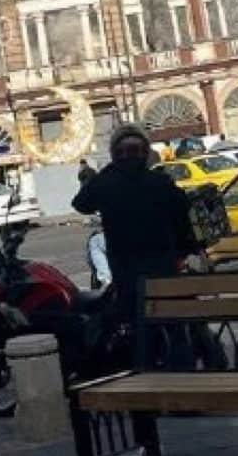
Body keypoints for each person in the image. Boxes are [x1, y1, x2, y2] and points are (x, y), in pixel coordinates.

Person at [73, 122, 196, 322]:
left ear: (114, 155)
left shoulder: (106, 183)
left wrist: (107, 172)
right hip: (164, 273)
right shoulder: (160, 182)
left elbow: (81, 203)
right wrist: (183, 251)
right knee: (174, 327)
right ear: (146, 153)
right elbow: (183, 215)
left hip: (126, 277)